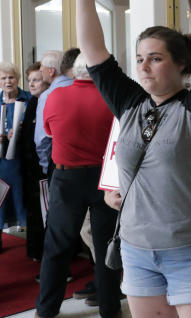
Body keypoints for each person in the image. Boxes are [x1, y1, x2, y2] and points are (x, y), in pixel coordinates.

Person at [71, 0, 191, 318]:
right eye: (140, 57)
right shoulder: (131, 103)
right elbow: (94, 52)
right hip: (137, 249)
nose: (143, 65)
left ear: (181, 65)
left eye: (156, 58)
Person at [34, 53, 123, 318]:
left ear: (73, 72)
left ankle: (46, 309)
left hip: (67, 177)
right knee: (106, 243)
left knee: (57, 245)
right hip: (104, 177)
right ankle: (110, 307)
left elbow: (49, 131)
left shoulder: (56, 96)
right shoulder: (111, 97)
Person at [20, 62, 50, 260]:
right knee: (33, 209)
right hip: (30, 165)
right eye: (29, 80)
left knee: (46, 212)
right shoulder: (32, 102)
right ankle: (35, 250)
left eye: (36, 80)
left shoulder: (48, 101)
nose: (31, 84)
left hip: (44, 166)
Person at [0, 62, 31, 252]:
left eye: (11, 77)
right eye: (3, 78)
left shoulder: (27, 98)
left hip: (22, 160)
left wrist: (21, 130)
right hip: (1, 162)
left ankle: (31, 243)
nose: (7, 81)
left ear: (17, 79)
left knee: (23, 200)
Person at [34, 49, 75, 181]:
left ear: (51, 71)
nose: (41, 73)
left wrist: (46, 166)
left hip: (58, 163)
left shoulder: (47, 96)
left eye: (42, 70)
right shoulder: (82, 88)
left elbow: (41, 139)